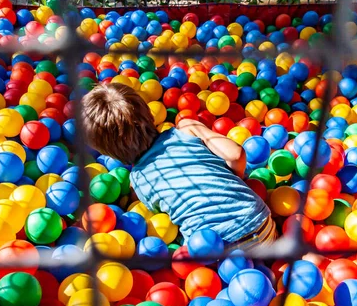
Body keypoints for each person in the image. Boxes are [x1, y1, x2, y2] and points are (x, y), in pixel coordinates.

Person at [80, 83, 277, 249]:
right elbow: (236, 154)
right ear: (149, 113)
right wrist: (235, 179)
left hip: (217, 249)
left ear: (111, 153)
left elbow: (164, 216)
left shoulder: (140, 180)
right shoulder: (187, 129)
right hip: (262, 224)